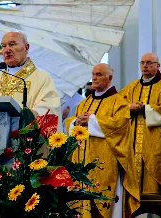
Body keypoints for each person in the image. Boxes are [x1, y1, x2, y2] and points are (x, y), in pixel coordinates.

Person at [65, 63, 139, 218]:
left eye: (99, 74)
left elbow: (120, 126)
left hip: (105, 165)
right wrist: (76, 122)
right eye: (93, 74)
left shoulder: (119, 102)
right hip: (82, 163)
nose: (94, 77)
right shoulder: (84, 103)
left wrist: (92, 121)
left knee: (104, 206)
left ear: (109, 77)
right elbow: (71, 121)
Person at [120, 52, 161, 196]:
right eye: (142, 63)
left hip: (157, 145)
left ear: (158, 66)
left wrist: (145, 108)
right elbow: (118, 106)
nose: (145, 66)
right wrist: (129, 108)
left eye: (149, 63)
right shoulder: (131, 87)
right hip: (132, 144)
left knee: (155, 190)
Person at [0, 32, 61, 118]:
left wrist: (29, 117)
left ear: (26, 47)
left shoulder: (42, 78)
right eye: (3, 46)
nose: (7, 50)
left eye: (12, 44)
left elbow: (50, 107)